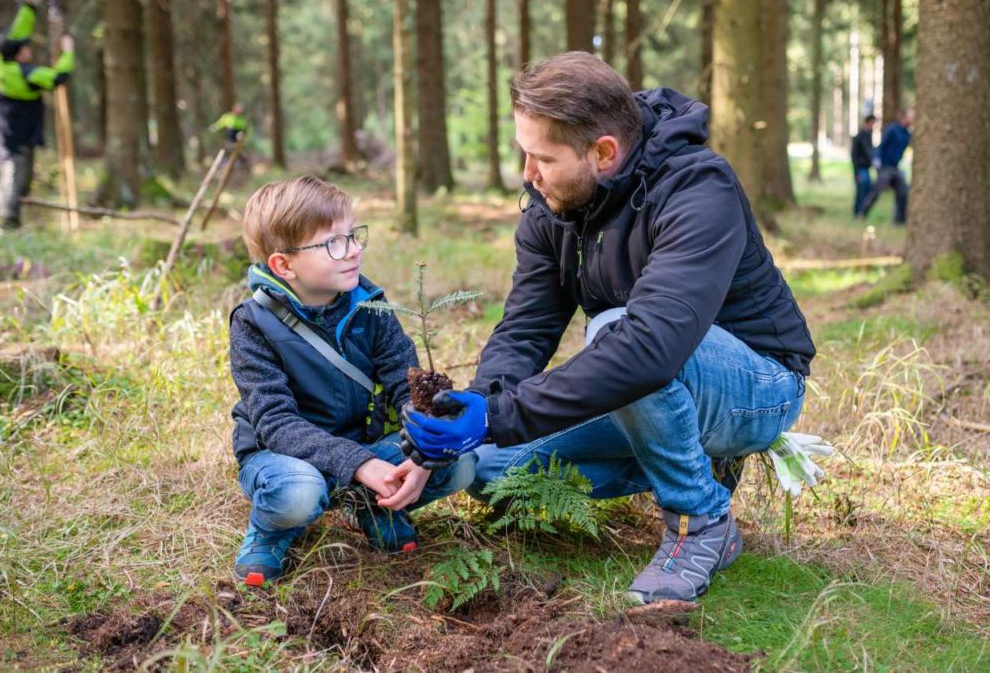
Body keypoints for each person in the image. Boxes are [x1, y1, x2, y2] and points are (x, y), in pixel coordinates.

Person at [400, 52, 815, 603]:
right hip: (651, 383)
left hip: (759, 387)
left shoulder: (697, 189)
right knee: (491, 470)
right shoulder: (552, 206)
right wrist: (478, 405)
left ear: (603, 152)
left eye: (542, 158)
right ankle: (693, 460)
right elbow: (526, 328)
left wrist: (502, 414)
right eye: (524, 154)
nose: (528, 174)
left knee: (617, 330)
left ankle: (701, 521)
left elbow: (649, 348)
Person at [229, 176, 476, 586]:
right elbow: (275, 423)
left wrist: (426, 436)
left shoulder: (370, 304)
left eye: (353, 235)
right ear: (284, 265)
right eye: (333, 243)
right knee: (298, 494)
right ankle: (271, 531)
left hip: (364, 449)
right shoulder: (253, 323)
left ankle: (373, 504)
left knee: (459, 462)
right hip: (285, 458)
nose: (354, 250)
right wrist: (359, 463)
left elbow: (404, 382)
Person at [0, 0, 74, 230]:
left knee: (18, 178)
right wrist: (68, 52)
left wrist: (28, 4)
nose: (29, 49)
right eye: (26, 49)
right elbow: (57, 77)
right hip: (17, 135)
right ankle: (7, 223)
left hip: (9, 133)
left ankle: (10, 220)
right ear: (19, 55)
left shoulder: (3, 62)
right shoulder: (25, 74)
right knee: (15, 177)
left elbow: (19, 32)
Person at [857, 108, 914, 225]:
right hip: (884, 166)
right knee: (876, 191)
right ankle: (862, 213)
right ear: (903, 117)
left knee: (903, 192)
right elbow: (882, 145)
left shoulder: (908, 133)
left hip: (895, 167)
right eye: (911, 116)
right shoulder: (892, 129)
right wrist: (877, 160)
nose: (912, 119)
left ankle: (899, 220)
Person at [851, 115, 877, 218]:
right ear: (868, 123)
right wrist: (856, 172)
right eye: (872, 124)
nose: (873, 126)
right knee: (860, 190)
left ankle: (862, 212)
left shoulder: (868, 135)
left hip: (866, 168)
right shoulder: (859, 136)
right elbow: (854, 156)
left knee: (867, 190)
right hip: (860, 169)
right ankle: (857, 212)